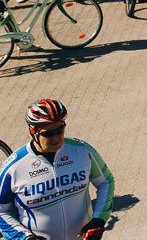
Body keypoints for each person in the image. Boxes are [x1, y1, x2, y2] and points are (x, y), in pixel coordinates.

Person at [0, 99, 114, 240]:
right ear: (33, 131)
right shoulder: (14, 167)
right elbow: (1, 211)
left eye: (60, 130)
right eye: (48, 134)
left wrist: (99, 218)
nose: (56, 138)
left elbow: (106, 182)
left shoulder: (82, 150)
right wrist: (25, 237)